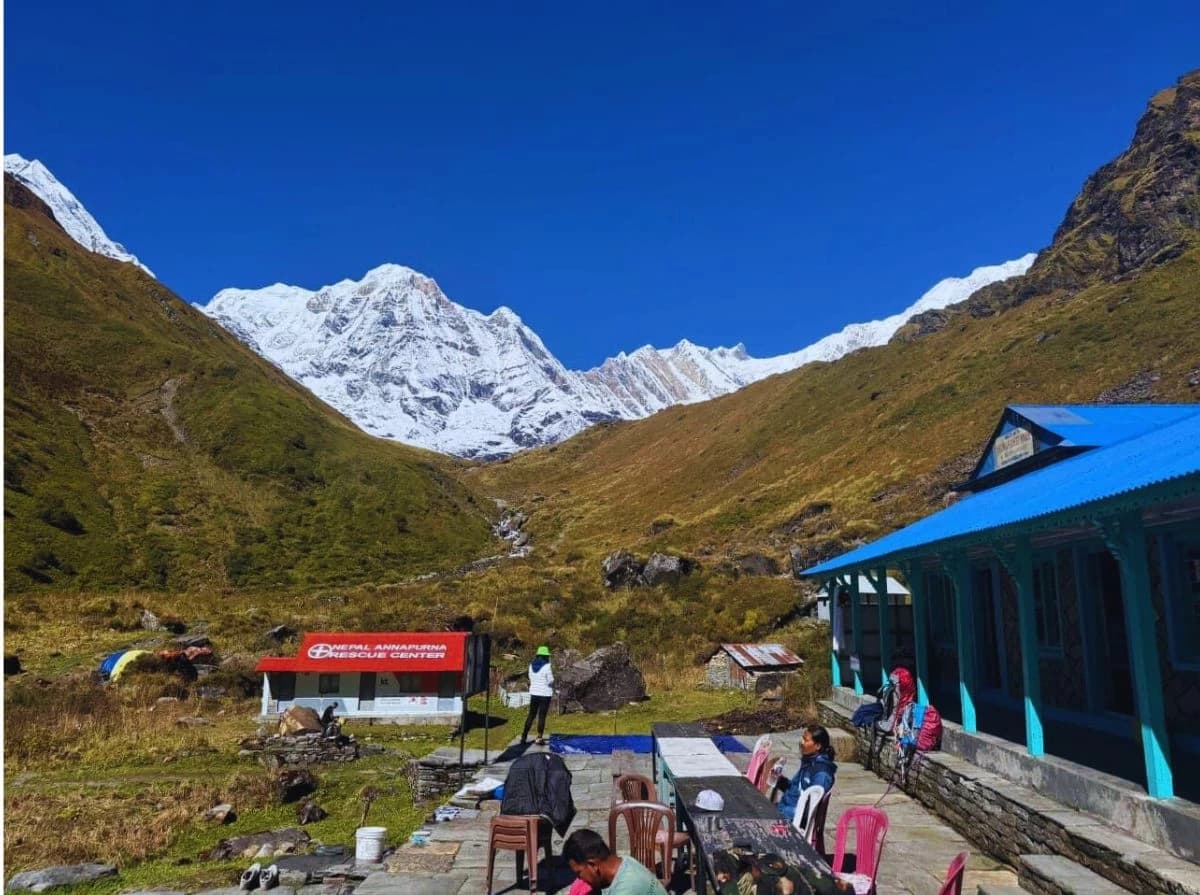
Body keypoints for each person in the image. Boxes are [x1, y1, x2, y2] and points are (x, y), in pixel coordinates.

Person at [563, 829, 668, 895]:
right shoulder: (624, 861)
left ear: (592, 865)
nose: (580, 879)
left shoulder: (625, 889)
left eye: (579, 873)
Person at [776, 725, 837, 822]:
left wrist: (782, 812)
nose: (801, 742)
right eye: (802, 739)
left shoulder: (822, 773)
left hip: (792, 818)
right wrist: (780, 781)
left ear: (817, 746)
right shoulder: (809, 762)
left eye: (806, 740)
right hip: (785, 808)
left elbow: (811, 809)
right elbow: (797, 790)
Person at [521, 644, 554, 745]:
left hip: (534, 693)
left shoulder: (531, 665)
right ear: (545, 656)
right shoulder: (547, 666)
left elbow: (530, 678)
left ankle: (524, 736)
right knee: (542, 716)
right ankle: (539, 737)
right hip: (545, 694)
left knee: (531, 715)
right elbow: (551, 680)